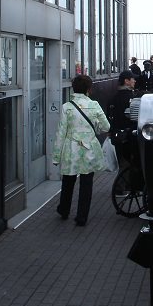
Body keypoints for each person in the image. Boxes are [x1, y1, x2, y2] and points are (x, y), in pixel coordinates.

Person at [52, 74, 110, 226]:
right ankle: (82, 216)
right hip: (89, 148)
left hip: (71, 148)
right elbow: (106, 127)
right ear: (89, 89)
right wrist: (95, 125)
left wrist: (56, 157)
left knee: (68, 180)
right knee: (86, 182)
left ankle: (64, 210)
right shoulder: (95, 105)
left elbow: (61, 133)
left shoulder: (67, 107)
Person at [108, 70, 140, 182]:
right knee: (128, 162)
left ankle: (122, 186)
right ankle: (122, 187)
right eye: (133, 79)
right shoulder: (130, 98)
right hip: (128, 135)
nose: (135, 81)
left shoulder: (114, 97)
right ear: (126, 81)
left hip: (116, 134)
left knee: (122, 160)